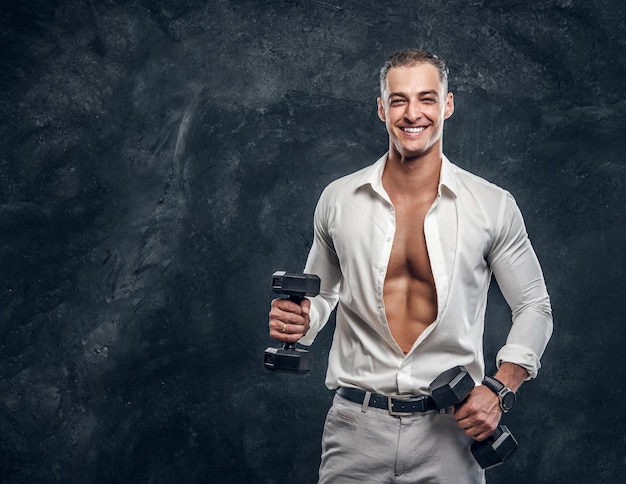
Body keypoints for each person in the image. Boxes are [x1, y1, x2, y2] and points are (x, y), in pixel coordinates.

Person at [268, 48, 553, 483]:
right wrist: (300, 321)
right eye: (398, 100)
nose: (412, 113)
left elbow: (534, 305)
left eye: (426, 98)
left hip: (449, 435)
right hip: (355, 427)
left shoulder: (493, 206)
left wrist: (501, 387)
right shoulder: (338, 199)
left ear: (448, 105)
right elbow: (323, 294)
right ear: (382, 109)